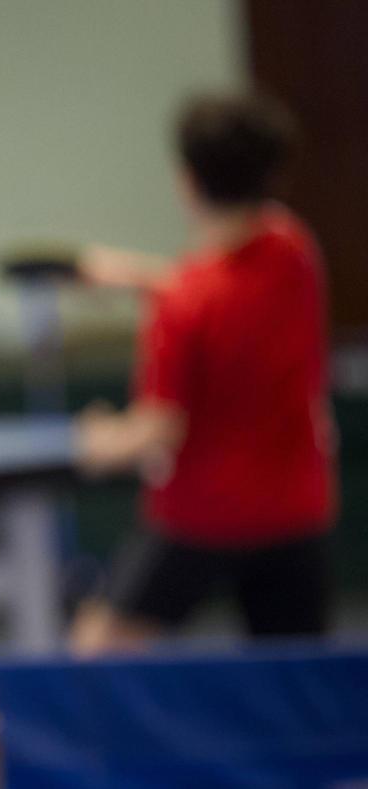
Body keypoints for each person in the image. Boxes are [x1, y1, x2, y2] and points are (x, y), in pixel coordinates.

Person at [69, 92, 337, 656]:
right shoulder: (295, 249)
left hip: (203, 515)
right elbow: (230, 288)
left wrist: (99, 442)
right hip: (296, 507)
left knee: (96, 651)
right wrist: (133, 276)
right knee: (294, 679)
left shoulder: (183, 305)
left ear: (187, 182)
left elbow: (158, 429)